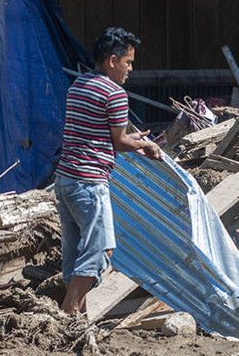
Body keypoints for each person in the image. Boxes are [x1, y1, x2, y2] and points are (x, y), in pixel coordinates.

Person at [54, 27, 163, 315]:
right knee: (101, 249)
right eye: (128, 62)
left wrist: (134, 143)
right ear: (112, 61)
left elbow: (100, 136)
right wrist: (148, 146)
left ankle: (80, 317)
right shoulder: (115, 93)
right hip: (90, 181)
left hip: (65, 179)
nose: (130, 69)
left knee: (76, 254)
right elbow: (118, 140)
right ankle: (66, 314)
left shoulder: (78, 85)